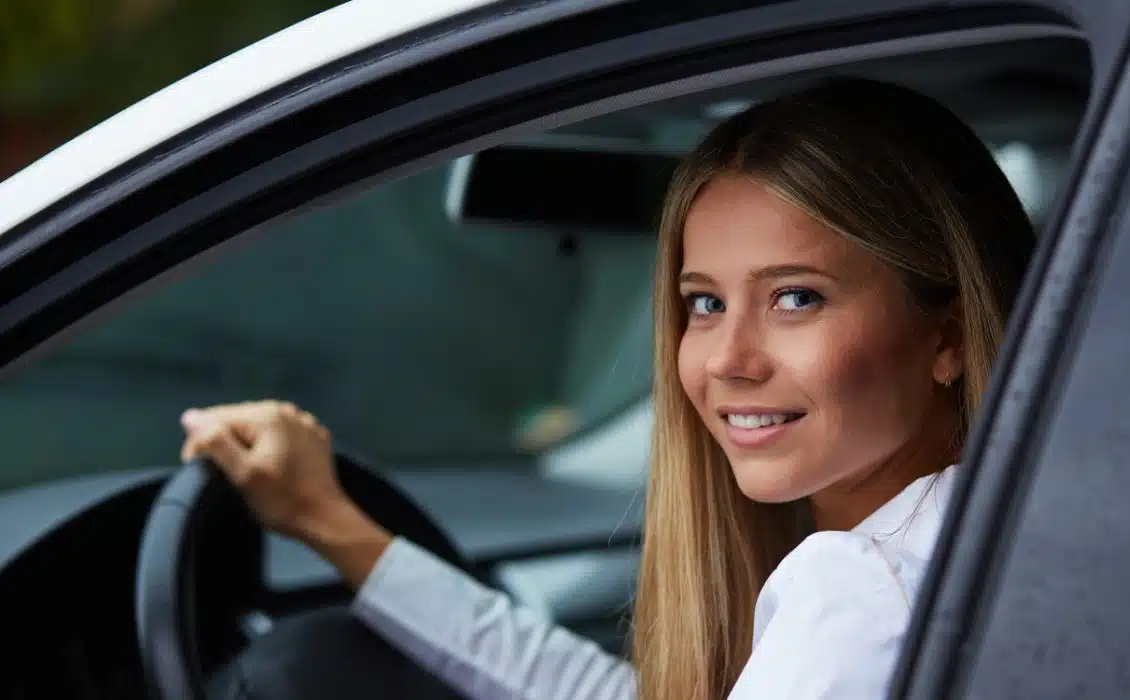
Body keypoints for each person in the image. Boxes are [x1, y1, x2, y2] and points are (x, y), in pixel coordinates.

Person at [180, 77, 1035, 700]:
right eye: (703, 303)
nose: (727, 358)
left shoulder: (855, 592)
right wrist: (336, 529)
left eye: (795, 297)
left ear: (948, 335)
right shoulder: (979, 547)